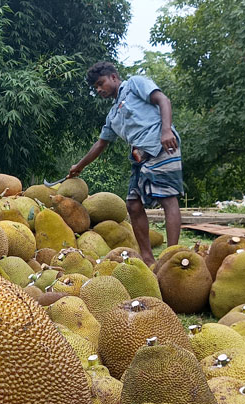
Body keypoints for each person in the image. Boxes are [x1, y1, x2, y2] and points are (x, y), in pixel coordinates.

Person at [68, 61, 182, 266]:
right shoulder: (113, 114)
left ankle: (170, 255)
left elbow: (162, 100)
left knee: (167, 198)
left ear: (113, 77)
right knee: (133, 204)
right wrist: (79, 166)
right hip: (140, 157)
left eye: (101, 83)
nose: (99, 89)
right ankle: (148, 258)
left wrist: (166, 130)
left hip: (161, 144)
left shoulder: (135, 84)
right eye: (95, 87)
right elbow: (101, 143)